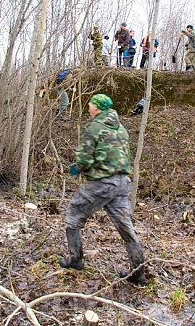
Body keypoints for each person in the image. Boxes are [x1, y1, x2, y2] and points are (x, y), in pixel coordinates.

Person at [60, 93, 146, 285]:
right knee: (126, 227)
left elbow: (85, 157)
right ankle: (138, 272)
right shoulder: (121, 128)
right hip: (123, 182)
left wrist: (77, 166)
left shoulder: (94, 127)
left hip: (103, 182)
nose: (88, 108)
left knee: (73, 214)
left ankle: (75, 259)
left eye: (90, 105)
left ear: (98, 107)